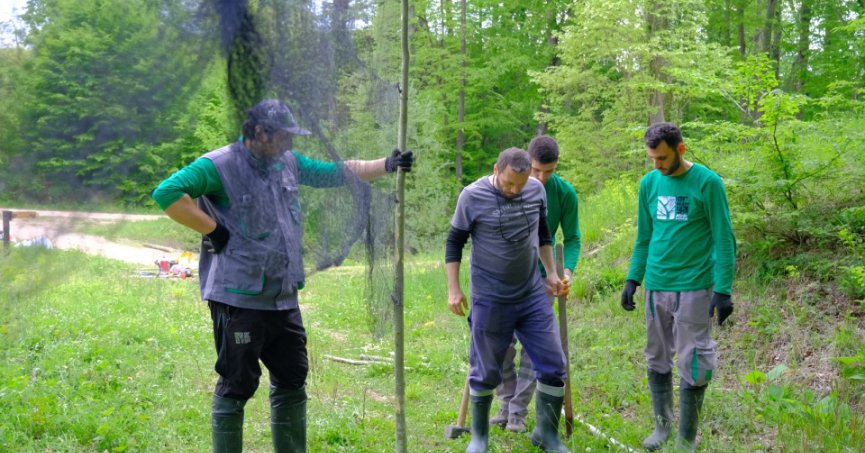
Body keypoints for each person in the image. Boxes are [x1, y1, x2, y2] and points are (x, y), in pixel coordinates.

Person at [150, 99, 413, 453]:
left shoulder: (287, 162)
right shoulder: (219, 165)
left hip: (283, 296)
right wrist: (213, 229)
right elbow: (166, 193)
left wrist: (387, 164)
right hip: (237, 298)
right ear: (260, 133)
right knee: (237, 384)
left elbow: (335, 172)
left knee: (292, 379)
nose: (290, 143)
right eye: (284, 136)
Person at [446, 147, 570, 453]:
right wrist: (454, 288)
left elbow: (543, 235)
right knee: (486, 370)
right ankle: (479, 438)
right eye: (508, 184)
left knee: (553, 363)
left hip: (531, 295)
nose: (515, 190)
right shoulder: (471, 196)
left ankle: (547, 435)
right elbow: (454, 242)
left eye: (521, 184)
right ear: (496, 169)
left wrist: (552, 273)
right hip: (490, 298)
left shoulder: (536, 190)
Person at [620, 122, 735, 451]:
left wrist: (723, 290)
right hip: (657, 285)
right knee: (656, 356)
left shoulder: (708, 183)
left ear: (680, 149)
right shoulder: (649, 183)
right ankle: (661, 428)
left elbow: (724, 239)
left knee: (694, 358)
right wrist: (633, 279)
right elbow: (644, 237)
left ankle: (686, 438)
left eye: (662, 158)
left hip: (694, 286)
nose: (656, 165)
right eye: (652, 158)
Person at [490, 135, 581, 433]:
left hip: (544, 275)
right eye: (537, 170)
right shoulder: (509, 185)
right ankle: (505, 403)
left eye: (549, 171)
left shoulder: (564, 193)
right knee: (500, 343)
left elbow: (573, 238)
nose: (541, 177)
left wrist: (566, 270)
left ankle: (518, 411)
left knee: (533, 346)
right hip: (505, 275)